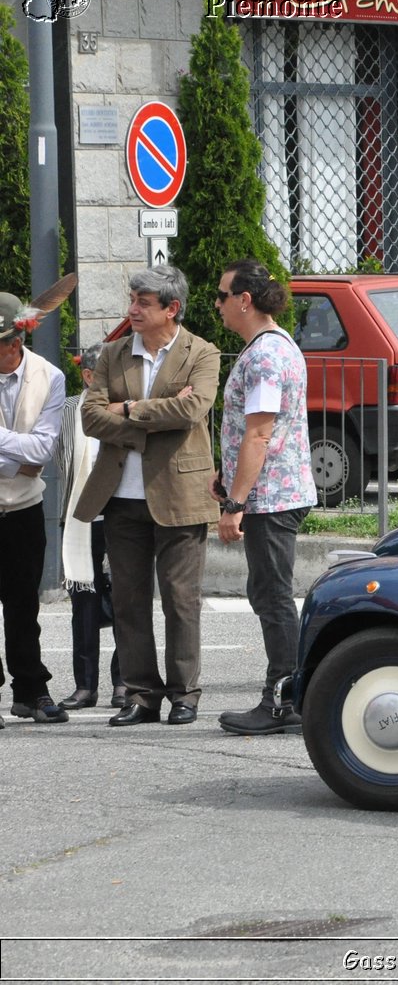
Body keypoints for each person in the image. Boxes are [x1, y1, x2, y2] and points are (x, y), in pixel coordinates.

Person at [77, 265, 220, 728]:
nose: (132, 309)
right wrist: (149, 415)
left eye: (143, 302)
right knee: (129, 600)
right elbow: (91, 418)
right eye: (132, 299)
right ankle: (140, 694)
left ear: (171, 309)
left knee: (181, 600)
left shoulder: (202, 352)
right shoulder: (115, 353)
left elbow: (191, 408)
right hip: (120, 495)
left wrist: (130, 408)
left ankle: (184, 694)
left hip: (180, 494)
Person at [210, 260, 318, 736]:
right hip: (271, 490)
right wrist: (228, 475)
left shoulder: (266, 357)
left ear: (244, 300)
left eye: (222, 295)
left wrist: (235, 502)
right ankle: (288, 696)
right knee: (268, 593)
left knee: (273, 597)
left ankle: (285, 701)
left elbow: (260, 432)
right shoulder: (269, 347)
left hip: (272, 496)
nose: (217, 304)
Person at [0, 292, 68, 726]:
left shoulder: (50, 377)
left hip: (24, 506)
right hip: (20, 489)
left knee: (24, 602)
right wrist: (17, 456)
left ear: (16, 341)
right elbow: (27, 455)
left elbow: (43, 449)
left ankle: (30, 689)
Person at [58, 342, 122, 711]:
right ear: (87, 375)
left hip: (122, 514)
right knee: (83, 602)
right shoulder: (68, 410)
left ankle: (124, 682)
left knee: (126, 601)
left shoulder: (125, 408)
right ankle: (85, 686)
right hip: (81, 516)